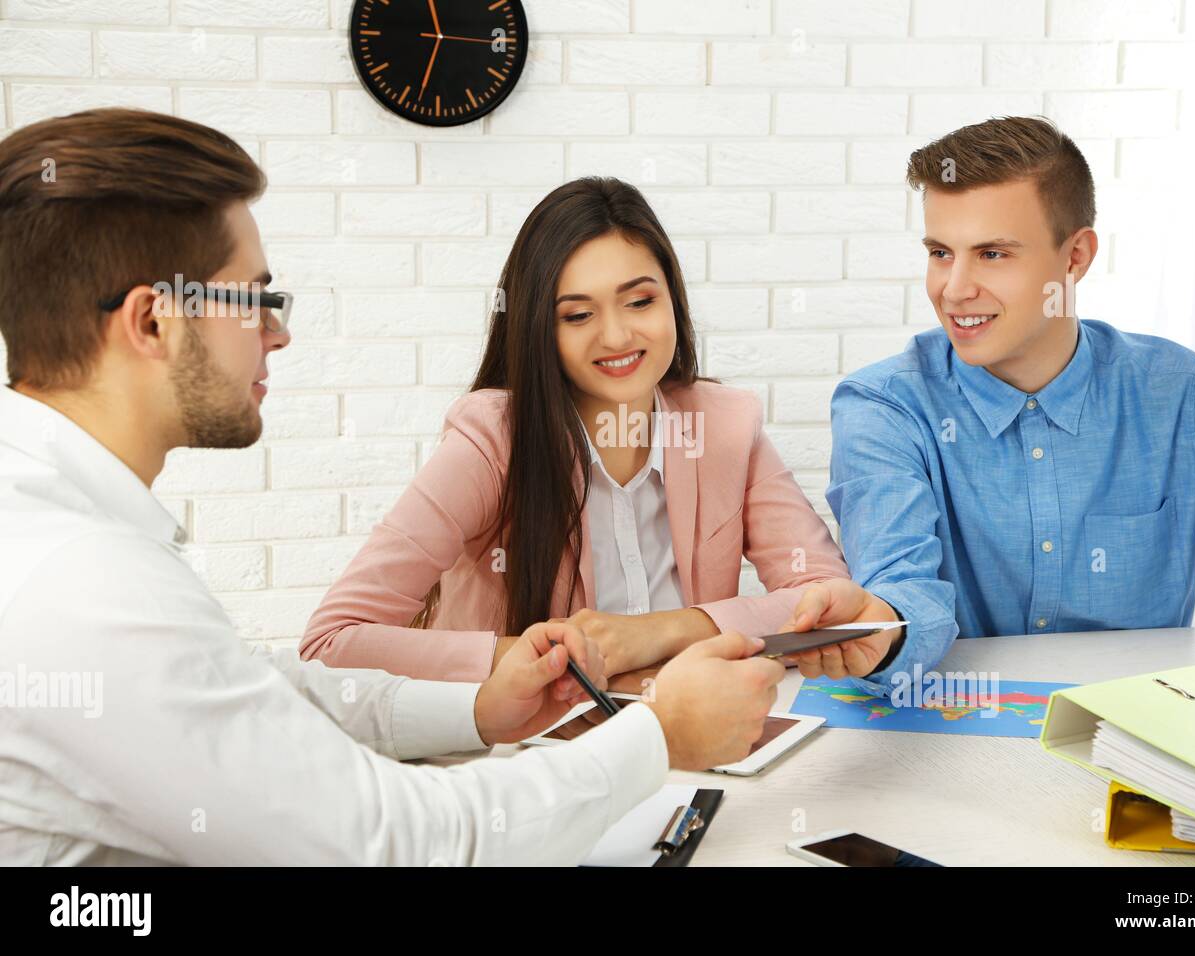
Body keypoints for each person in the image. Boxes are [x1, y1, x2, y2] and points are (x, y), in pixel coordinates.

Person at [0, 108, 786, 866]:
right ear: (152, 324)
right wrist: (657, 736)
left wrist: (480, 706)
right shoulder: (88, 587)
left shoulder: (65, 534)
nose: (279, 332)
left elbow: (264, 690)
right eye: (257, 299)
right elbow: (402, 844)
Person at [793, 116, 1195, 688]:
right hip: (942, 738)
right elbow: (902, 586)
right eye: (940, 252)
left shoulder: (1182, 395)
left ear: (1075, 256)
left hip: (1130, 745)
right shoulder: (883, 408)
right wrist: (882, 629)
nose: (953, 289)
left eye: (991, 254)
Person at [301, 177, 852, 691]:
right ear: (539, 327)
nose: (616, 335)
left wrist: (667, 631)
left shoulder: (725, 424)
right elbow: (330, 644)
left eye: (640, 301)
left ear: (673, 301)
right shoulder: (491, 439)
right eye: (576, 315)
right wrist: (543, 659)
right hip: (522, 757)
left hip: (688, 738)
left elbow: (830, 602)